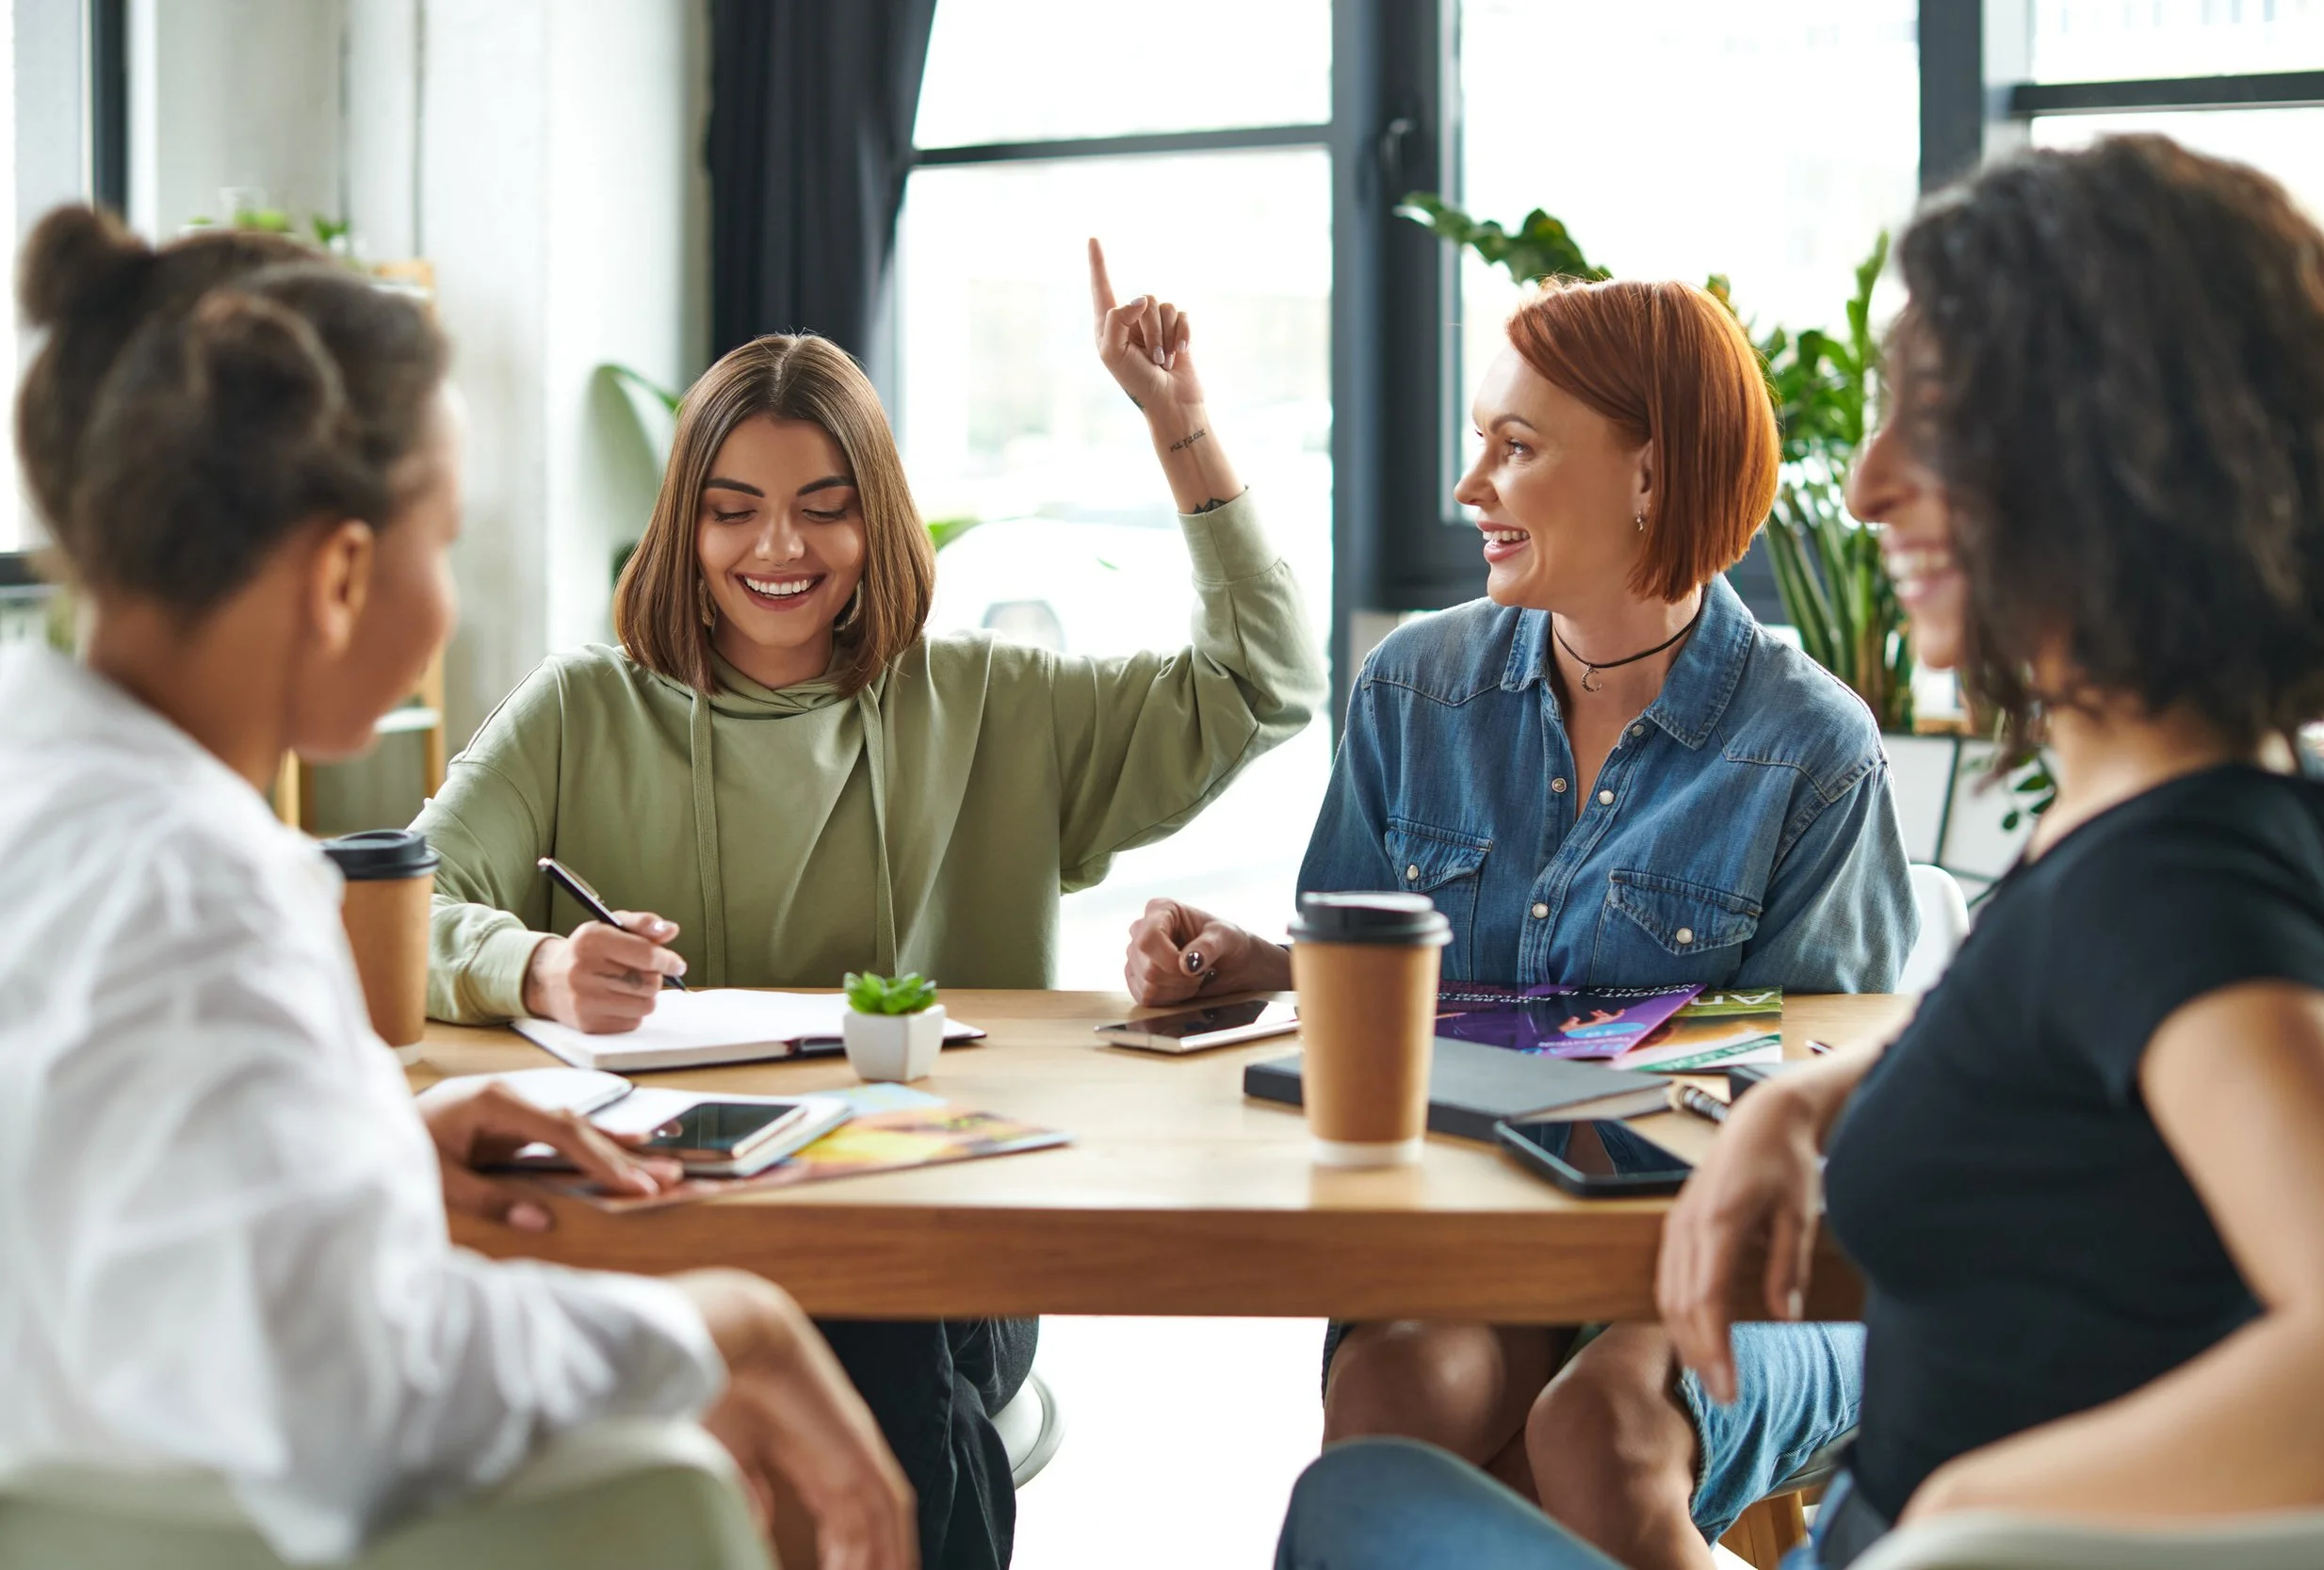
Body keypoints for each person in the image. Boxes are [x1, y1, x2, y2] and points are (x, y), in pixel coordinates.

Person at [1274, 133, 2324, 1570]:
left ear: (2125, 459)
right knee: (1375, 1468)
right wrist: (1806, 1109)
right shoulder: (2185, 824)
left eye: (1943, 425)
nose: (1867, 487)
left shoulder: (2176, 890)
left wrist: (1974, 1524)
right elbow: (2037, 1036)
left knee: (1353, 1513)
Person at [0, 206, 914, 1569]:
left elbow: (98, 1203)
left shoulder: (51, 790)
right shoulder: (204, 890)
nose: (447, 594)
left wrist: (367, 1146)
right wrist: (730, 1318)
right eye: (447, 538)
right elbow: (361, 1391)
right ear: (345, 572)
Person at [412, 240, 1320, 1568]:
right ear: (685, 523)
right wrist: (538, 963)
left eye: (823, 505)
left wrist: (1177, 424)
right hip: (678, 1217)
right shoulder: (581, 711)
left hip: (943, 1238)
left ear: (877, 515)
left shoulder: (994, 700)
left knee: (866, 1313)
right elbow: (401, 897)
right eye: (733, 508)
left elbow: (1262, 678)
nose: (778, 546)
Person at [1129, 279, 1913, 1564]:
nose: (1467, 486)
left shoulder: (1809, 749)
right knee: (1393, 1400)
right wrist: (1258, 969)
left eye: (1515, 446)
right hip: (1474, 1236)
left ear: (1651, 477)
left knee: (1599, 1430)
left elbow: (1819, 1105)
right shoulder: (1414, 689)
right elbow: (1375, 1004)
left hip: (1723, 1263)